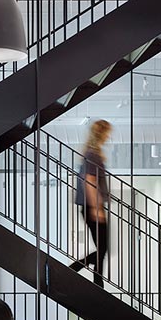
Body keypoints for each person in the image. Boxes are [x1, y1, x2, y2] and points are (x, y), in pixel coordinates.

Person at [71, 119, 112, 285]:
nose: (108, 137)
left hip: (90, 206)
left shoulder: (90, 154)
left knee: (102, 247)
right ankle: (77, 270)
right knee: (103, 247)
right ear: (101, 134)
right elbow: (89, 182)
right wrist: (97, 208)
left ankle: (97, 279)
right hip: (92, 207)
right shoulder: (93, 155)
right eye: (107, 133)